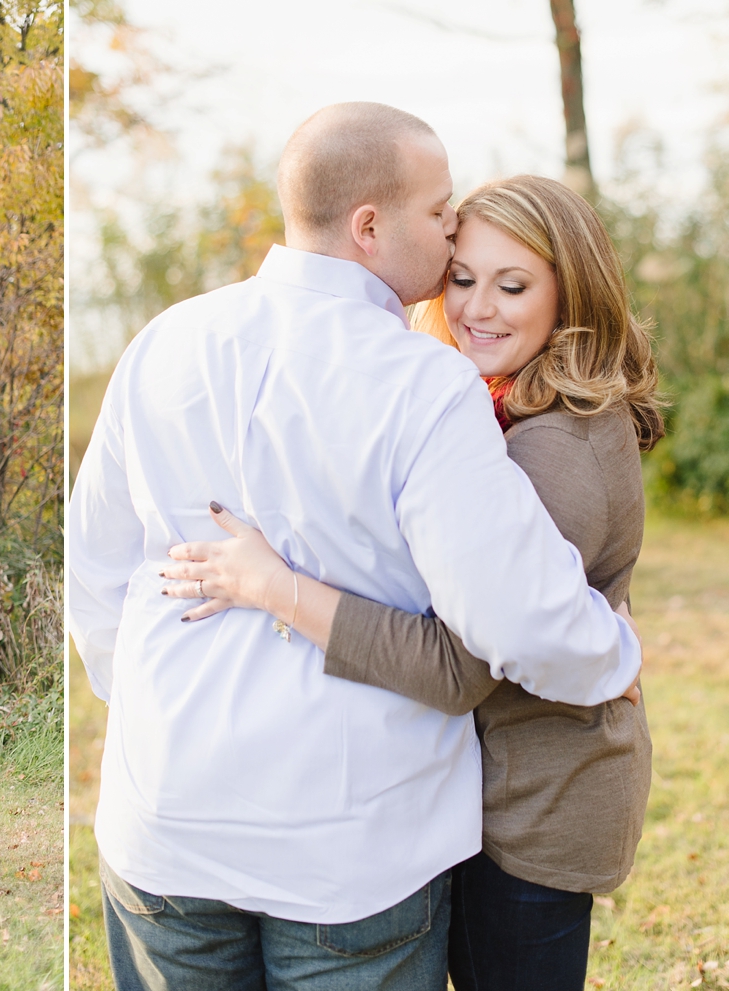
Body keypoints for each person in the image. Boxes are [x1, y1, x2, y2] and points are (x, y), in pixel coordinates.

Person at [67, 102, 642, 990]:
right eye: (439, 209)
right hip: (348, 847)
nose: (451, 231)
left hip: (164, 817)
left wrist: (155, 704)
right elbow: (517, 621)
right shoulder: (425, 384)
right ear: (369, 226)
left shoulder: (165, 339)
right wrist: (611, 654)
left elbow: (99, 564)